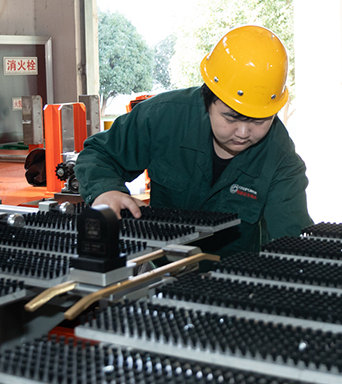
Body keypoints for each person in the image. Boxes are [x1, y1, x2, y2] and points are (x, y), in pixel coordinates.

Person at [74, 25, 313, 257]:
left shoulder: (280, 158)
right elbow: (99, 153)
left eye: (259, 121)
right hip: (158, 273)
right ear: (207, 98)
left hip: (232, 285)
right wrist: (105, 190)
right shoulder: (162, 118)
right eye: (230, 117)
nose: (242, 132)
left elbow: (291, 243)